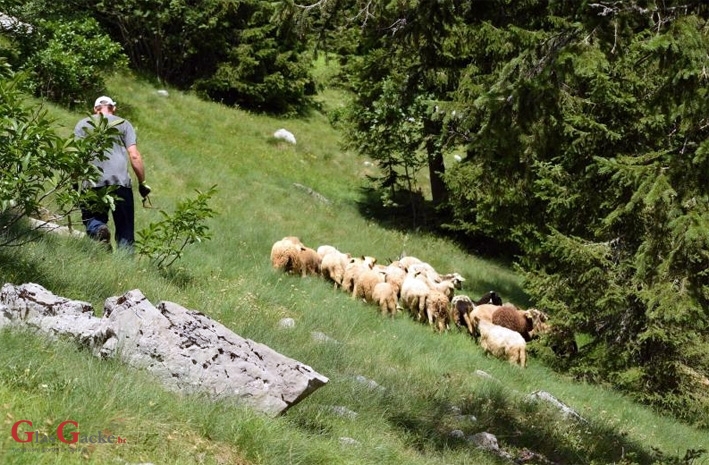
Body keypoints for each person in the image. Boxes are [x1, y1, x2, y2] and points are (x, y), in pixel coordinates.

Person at [74, 96, 151, 250]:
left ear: (95, 109)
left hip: (93, 182)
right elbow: (134, 155)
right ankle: (126, 266)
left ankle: (98, 230)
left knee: (92, 218)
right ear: (113, 108)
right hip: (121, 184)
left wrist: (74, 182)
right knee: (125, 230)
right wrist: (142, 183)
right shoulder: (123, 124)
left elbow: (76, 155)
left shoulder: (83, 124)